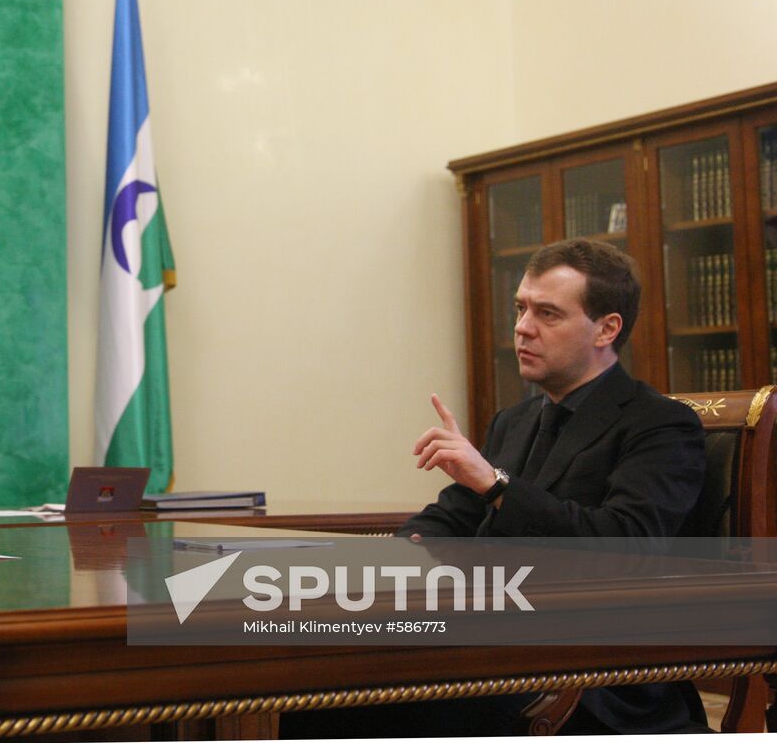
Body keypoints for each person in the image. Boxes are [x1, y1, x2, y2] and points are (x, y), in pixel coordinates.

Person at [282, 238, 707, 738]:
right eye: (520, 308)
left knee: (350, 702)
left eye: (547, 313)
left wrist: (494, 482)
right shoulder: (517, 420)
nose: (523, 327)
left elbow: (627, 543)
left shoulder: (659, 423)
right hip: (493, 640)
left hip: (592, 672)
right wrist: (411, 551)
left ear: (606, 329)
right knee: (310, 683)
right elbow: (452, 513)